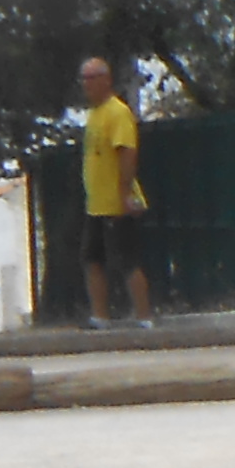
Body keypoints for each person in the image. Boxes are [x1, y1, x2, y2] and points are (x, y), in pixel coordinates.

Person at [74, 56, 152, 324]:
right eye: (84, 79)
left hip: (116, 201)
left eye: (92, 78)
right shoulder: (94, 114)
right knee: (92, 258)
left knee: (128, 259)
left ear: (106, 80)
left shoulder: (117, 112)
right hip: (96, 203)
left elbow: (127, 152)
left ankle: (143, 317)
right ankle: (100, 316)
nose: (87, 84)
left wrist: (126, 193)